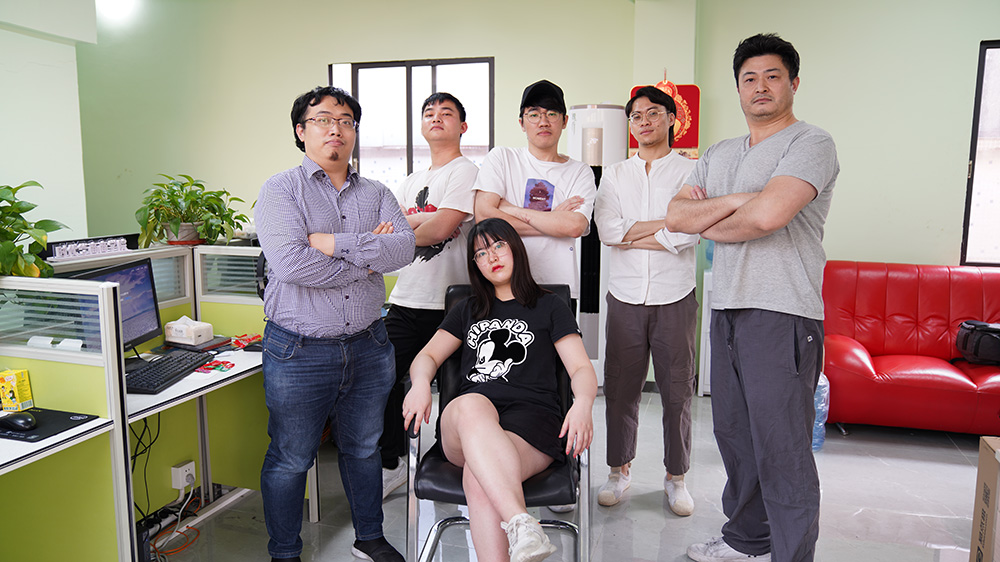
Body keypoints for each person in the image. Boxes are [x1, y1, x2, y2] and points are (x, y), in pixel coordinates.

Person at [665, 34, 839, 562]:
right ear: (738, 88)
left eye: (772, 76)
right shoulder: (719, 153)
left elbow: (768, 217)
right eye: (749, 78)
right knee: (735, 436)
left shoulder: (810, 143)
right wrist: (743, 200)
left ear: (793, 83)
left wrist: (714, 215)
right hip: (727, 310)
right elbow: (676, 217)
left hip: (783, 312)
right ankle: (747, 540)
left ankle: (791, 555)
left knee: (782, 447)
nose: (760, 87)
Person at [254, 85, 415, 562]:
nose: (335, 130)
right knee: (291, 458)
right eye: (323, 120)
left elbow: (403, 250)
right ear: (301, 131)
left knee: (364, 448)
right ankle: (285, 552)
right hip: (298, 351)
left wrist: (331, 242)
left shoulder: (377, 192)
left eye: (345, 121)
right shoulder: (281, 190)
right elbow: (291, 264)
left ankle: (369, 537)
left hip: (369, 345)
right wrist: (367, 254)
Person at [402, 218, 597, 562]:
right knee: (472, 404)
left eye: (498, 245)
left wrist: (582, 403)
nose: (490, 256)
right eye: (480, 253)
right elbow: (428, 356)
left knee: (479, 476)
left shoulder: (550, 306)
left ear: (514, 248)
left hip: (531, 425)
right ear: (475, 265)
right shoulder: (467, 309)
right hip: (466, 422)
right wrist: (420, 383)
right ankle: (521, 521)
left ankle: (523, 532)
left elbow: (580, 368)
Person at [592, 86, 700, 515]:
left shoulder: (691, 171)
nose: (644, 122)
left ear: (671, 118)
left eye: (653, 113)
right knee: (620, 389)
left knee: (677, 391)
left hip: (676, 295)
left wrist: (633, 232)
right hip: (625, 296)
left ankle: (677, 478)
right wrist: (664, 226)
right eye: (636, 116)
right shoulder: (616, 174)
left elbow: (690, 231)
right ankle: (618, 471)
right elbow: (607, 232)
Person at [380, 92, 479, 498]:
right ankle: (393, 463)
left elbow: (440, 229)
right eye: (429, 113)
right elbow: (389, 235)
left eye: (446, 113)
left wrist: (414, 223)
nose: (436, 118)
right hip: (406, 300)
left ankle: (450, 465)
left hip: (452, 304)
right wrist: (423, 220)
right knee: (383, 380)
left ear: (462, 126)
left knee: (454, 391)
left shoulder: (466, 172)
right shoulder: (409, 181)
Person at [473, 79, 597, 303]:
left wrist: (510, 209)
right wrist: (554, 221)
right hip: (506, 286)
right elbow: (484, 217)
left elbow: (574, 226)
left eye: (552, 114)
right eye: (534, 114)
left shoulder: (580, 171)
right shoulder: (502, 158)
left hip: (559, 287)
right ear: (521, 123)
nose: (543, 122)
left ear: (565, 121)